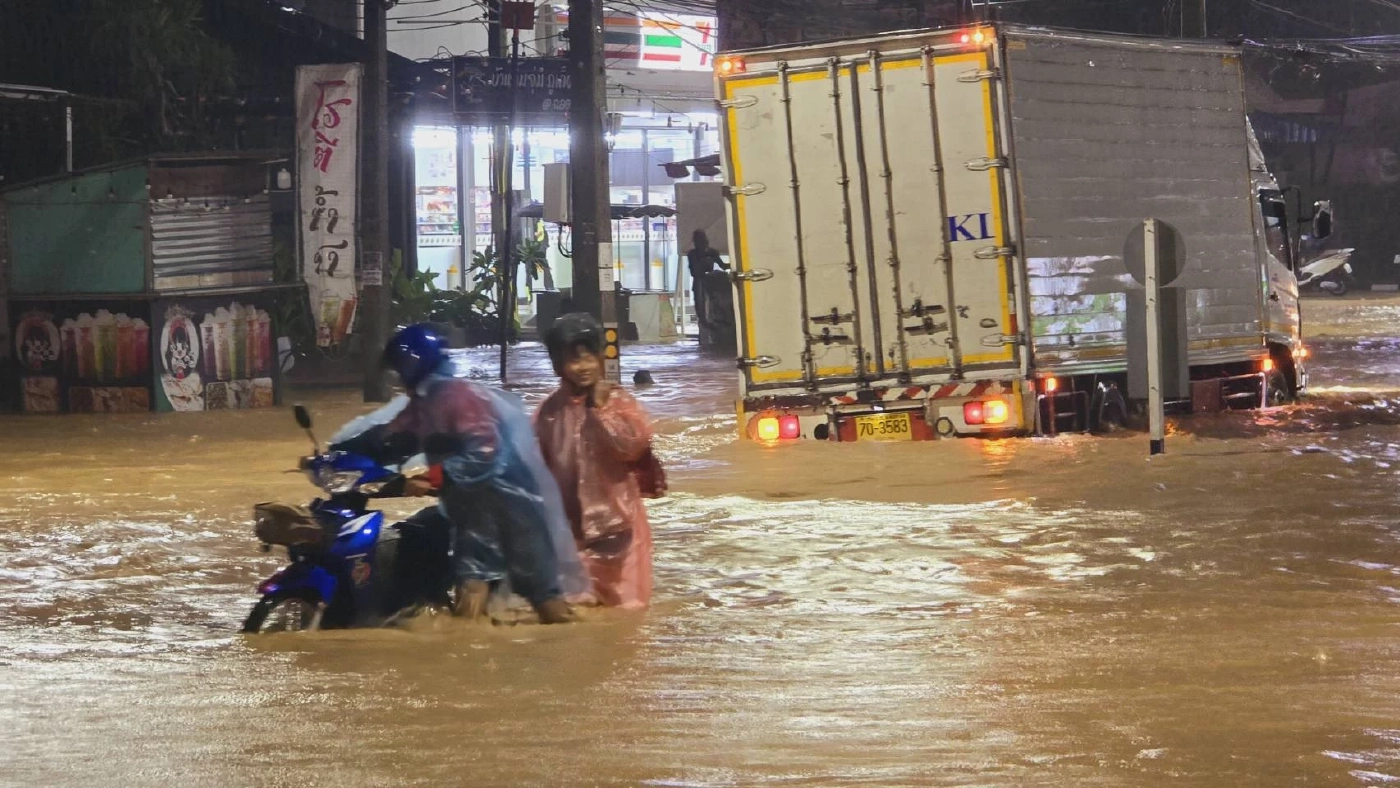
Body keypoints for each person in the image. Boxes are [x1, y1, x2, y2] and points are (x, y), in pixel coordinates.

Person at [376, 324, 589, 624]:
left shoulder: (459, 397)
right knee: (472, 577)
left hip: (512, 508)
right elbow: (393, 434)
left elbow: (484, 454)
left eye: (399, 370)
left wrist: (432, 477)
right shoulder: (426, 401)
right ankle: (466, 654)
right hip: (474, 509)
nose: (397, 378)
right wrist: (343, 455)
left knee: (544, 598)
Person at [536, 314, 657, 610]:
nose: (583, 367)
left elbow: (633, 445)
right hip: (571, 533)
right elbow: (537, 466)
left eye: (589, 358)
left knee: (627, 616)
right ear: (556, 364)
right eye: (573, 360)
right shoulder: (549, 411)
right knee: (576, 617)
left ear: (602, 358)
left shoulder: (618, 401)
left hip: (620, 527)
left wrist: (602, 411)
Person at [686, 229, 727, 328]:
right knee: (701, 303)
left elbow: (723, 266)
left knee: (707, 302)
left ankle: (707, 321)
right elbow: (694, 270)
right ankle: (704, 322)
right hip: (701, 280)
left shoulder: (711, 252)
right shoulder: (693, 254)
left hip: (708, 281)